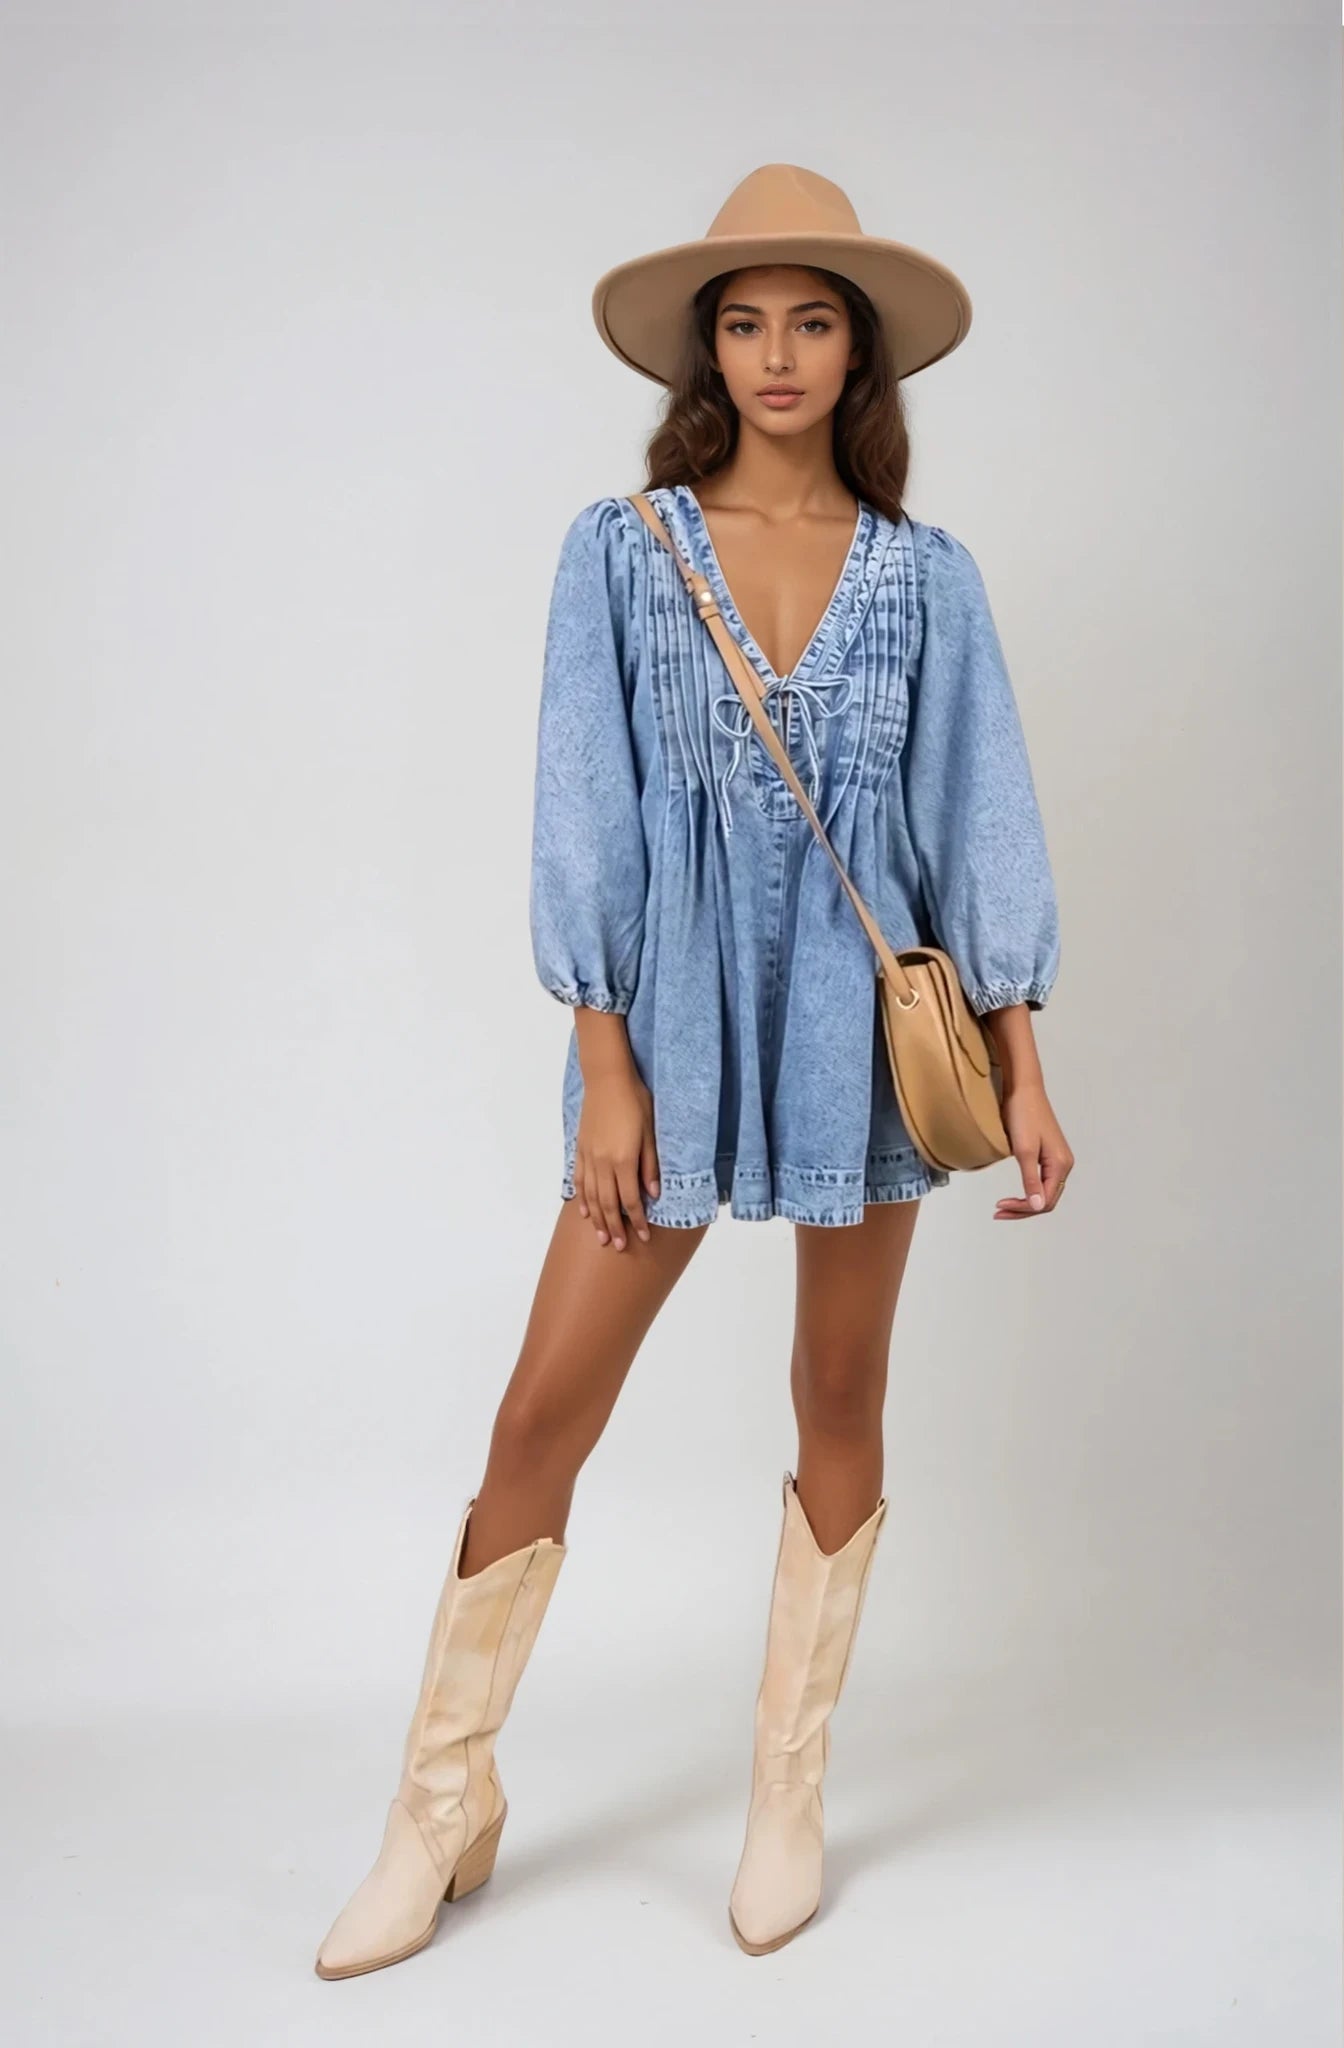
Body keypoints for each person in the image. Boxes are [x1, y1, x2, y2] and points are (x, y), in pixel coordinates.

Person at [314, 161, 1074, 1980]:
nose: (777, 354)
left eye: (812, 321)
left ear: (859, 351)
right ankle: (439, 1804)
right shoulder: (621, 551)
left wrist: (1026, 1066)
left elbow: (978, 828)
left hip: (867, 1046)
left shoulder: (929, 579)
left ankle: (787, 1793)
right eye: (744, 322)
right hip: (665, 1039)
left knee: (838, 1393)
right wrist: (608, 1060)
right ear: (705, 351)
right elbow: (585, 814)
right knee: (540, 1415)